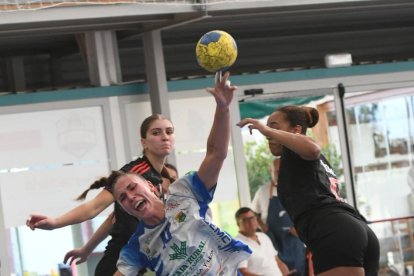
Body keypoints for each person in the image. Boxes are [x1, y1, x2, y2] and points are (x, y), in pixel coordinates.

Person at [108, 71, 251, 275]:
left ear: (150, 186)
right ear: (125, 209)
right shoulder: (137, 247)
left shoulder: (184, 194)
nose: (130, 196)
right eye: (123, 198)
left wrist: (223, 108)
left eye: (132, 188)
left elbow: (216, 153)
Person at [26, 113, 176, 276]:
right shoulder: (135, 174)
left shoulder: (165, 177)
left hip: (138, 264)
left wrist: (87, 249)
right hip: (116, 266)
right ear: (143, 142)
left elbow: (114, 218)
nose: (165, 137)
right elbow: (94, 207)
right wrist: (55, 223)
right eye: (156, 133)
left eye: (169, 132)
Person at [238, 105, 380, 276]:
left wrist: (265, 128)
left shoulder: (297, 151)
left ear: (297, 130)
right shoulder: (312, 161)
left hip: (334, 231)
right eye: (267, 129)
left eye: (274, 128)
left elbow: (312, 148)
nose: (268, 134)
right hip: (355, 229)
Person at [251, 158, 307, 275]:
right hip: (273, 246)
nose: (280, 174)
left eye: (283, 170)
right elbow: (253, 214)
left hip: (296, 246)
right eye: (276, 171)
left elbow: (307, 216)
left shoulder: (298, 190)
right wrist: (263, 227)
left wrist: (300, 228)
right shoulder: (262, 191)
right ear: (270, 170)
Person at [235, 207, 289, 276]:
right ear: (238, 224)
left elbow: (278, 261)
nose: (251, 222)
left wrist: (287, 274)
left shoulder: (263, 236)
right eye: (246, 220)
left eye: (253, 218)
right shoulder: (237, 244)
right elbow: (242, 272)